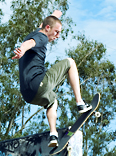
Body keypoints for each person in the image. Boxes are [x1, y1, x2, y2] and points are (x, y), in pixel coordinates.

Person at [12, 11, 91, 148]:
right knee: (70, 62)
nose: (57, 36)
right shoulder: (41, 37)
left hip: (28, 94)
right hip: (39, 84)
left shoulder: (38, 30)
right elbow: (31, 43)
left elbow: (43, 24)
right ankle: (80, 103)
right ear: (47, 28)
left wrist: (55, 15)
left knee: (52, 102)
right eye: (56, 32)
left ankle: (53, 134)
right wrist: (22, 50)